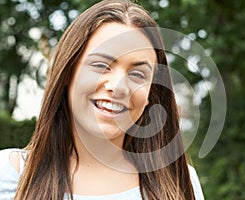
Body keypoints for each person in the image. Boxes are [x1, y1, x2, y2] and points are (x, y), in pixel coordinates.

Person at [0, 0, 205, 199]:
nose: (117, 87)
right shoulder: (9, 176)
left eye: (138, 74)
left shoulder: (180, 183)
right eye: (100, 65)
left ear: (151, 93)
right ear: (67, 74)